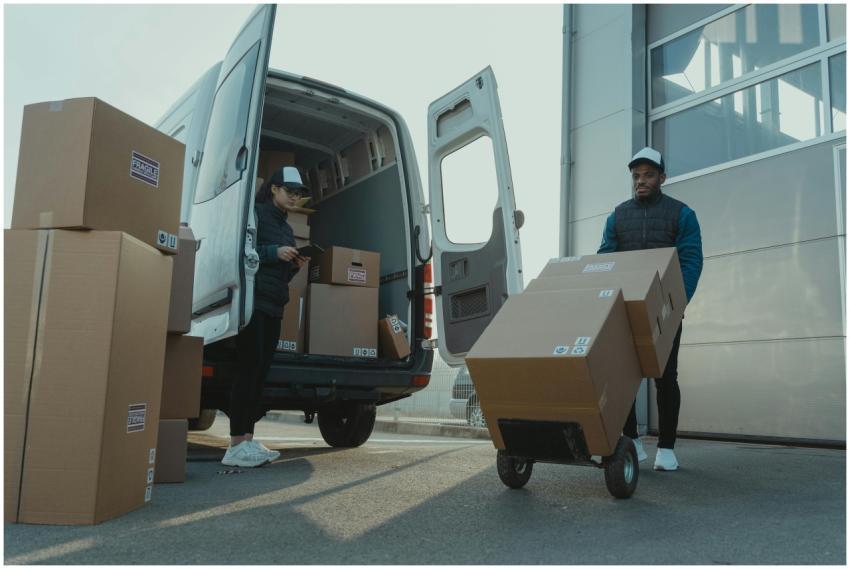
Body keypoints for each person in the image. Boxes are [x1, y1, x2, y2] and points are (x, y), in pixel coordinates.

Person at [597, 147, 703, 472]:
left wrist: (676, 303)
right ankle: (632, 441)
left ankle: (667, 449)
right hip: (624, 311)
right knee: (623, 377)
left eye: (648, 175)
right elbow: (605, 259)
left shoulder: (681, 214)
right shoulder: (617, 216)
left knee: (665, 377)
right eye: (636, 176)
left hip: (665, 313)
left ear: (662, 178)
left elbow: (690, 260)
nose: (641, 181)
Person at [221, 165, 311, 468]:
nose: (294, 198)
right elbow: (240, 251)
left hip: (274, 304)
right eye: (289, 191)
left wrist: (294, 263)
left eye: (298, 194)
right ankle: (235, 444)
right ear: (273, 188)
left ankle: (247, 440)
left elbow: (279, 274)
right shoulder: (255, 214)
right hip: (253, 302)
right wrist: (275, 253)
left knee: (260, 373)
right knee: (247, 370)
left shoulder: (286, 227)